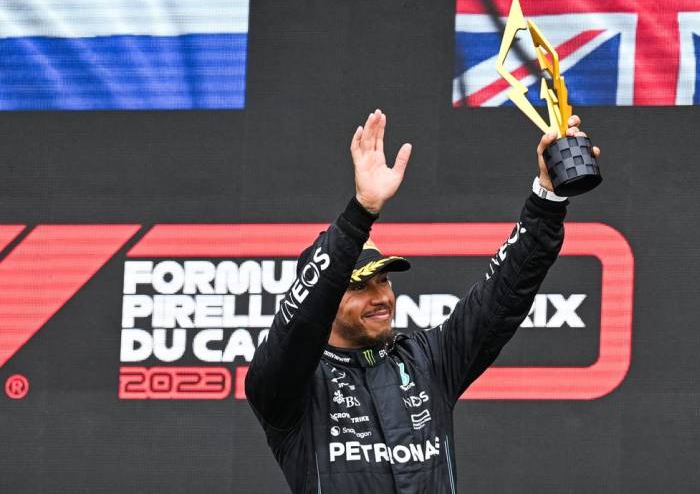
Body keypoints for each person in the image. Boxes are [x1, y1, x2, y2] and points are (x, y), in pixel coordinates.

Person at [246, 109, 599, 493]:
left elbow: (502, 294)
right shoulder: (289, 386)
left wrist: (547, 200)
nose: (381, 297)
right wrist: (361, 213)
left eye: (384, 281)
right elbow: (297, 325)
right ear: (325, 300)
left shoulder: (427, 361)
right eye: (361, 286)